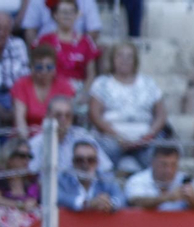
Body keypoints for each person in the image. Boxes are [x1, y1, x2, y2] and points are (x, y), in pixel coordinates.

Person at [88, 41, 167, 175]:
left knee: (158, 155)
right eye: (120, 56)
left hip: (145, 137)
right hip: (111, 136)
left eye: (129, 56)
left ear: (135, 60)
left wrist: (148, 135)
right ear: (113, 59)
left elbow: (161, 114)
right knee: (104, 152)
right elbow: (95, 115)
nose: (124, 60)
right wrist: (118, 137)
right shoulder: (102, 83)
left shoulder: (148, 83)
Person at [26, 91, 99, 175]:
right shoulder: (36, 143)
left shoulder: (83, 136)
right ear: (47, 116)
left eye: (67, 115)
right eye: (58, 115)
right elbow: (31, 173)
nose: (63, 120)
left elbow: (105, 168)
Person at [10, 42, 72, 135]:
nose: (44, 71)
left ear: (55, 68)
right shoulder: (21, 84)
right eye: (39, 67)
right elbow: (20, 120)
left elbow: (67, 120)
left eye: (49, 67)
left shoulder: (64, 86)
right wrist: (27, 146)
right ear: (32, 67)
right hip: (26, 138)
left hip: (57, 137)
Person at [124, 143, 194, 211]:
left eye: (173, 165)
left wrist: (193, 200)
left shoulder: (185, 179)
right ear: (153, 163)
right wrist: (167, 198)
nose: (169, 170)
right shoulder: (138, 180)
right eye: (164, 164)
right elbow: (135, 202)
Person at [55, 138, 123, 211]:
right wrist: (87, 203)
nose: (85, 165)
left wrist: (109, 203)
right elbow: (58, 197)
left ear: (97, 162)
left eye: (90, 160)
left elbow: (121, 198)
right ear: (73, 162)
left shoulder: (106, 179)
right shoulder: (62, 179)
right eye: (79, 160)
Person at [36, 0, 96, 82]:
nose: (68, 16)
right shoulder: (45, 40)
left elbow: (91, 75)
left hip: (79, 90)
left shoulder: (86, 42)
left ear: (76, 15)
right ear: (55, 15)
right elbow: (38, 71)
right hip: (52, 89)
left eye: (71, 12)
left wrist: (83, 94)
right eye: (64, 12)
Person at [0, 11, 29, 127]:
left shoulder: (18, 45)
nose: (1, 33)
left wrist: (17, 103)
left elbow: (25, 77)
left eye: (5, 29)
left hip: (14, 95)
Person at [0, 138, 37, 209]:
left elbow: (33, 201)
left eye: (29, 156)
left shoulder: (31, 179)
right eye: (22, 156)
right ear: (9, 157)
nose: (26, 160)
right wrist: (20, 205)